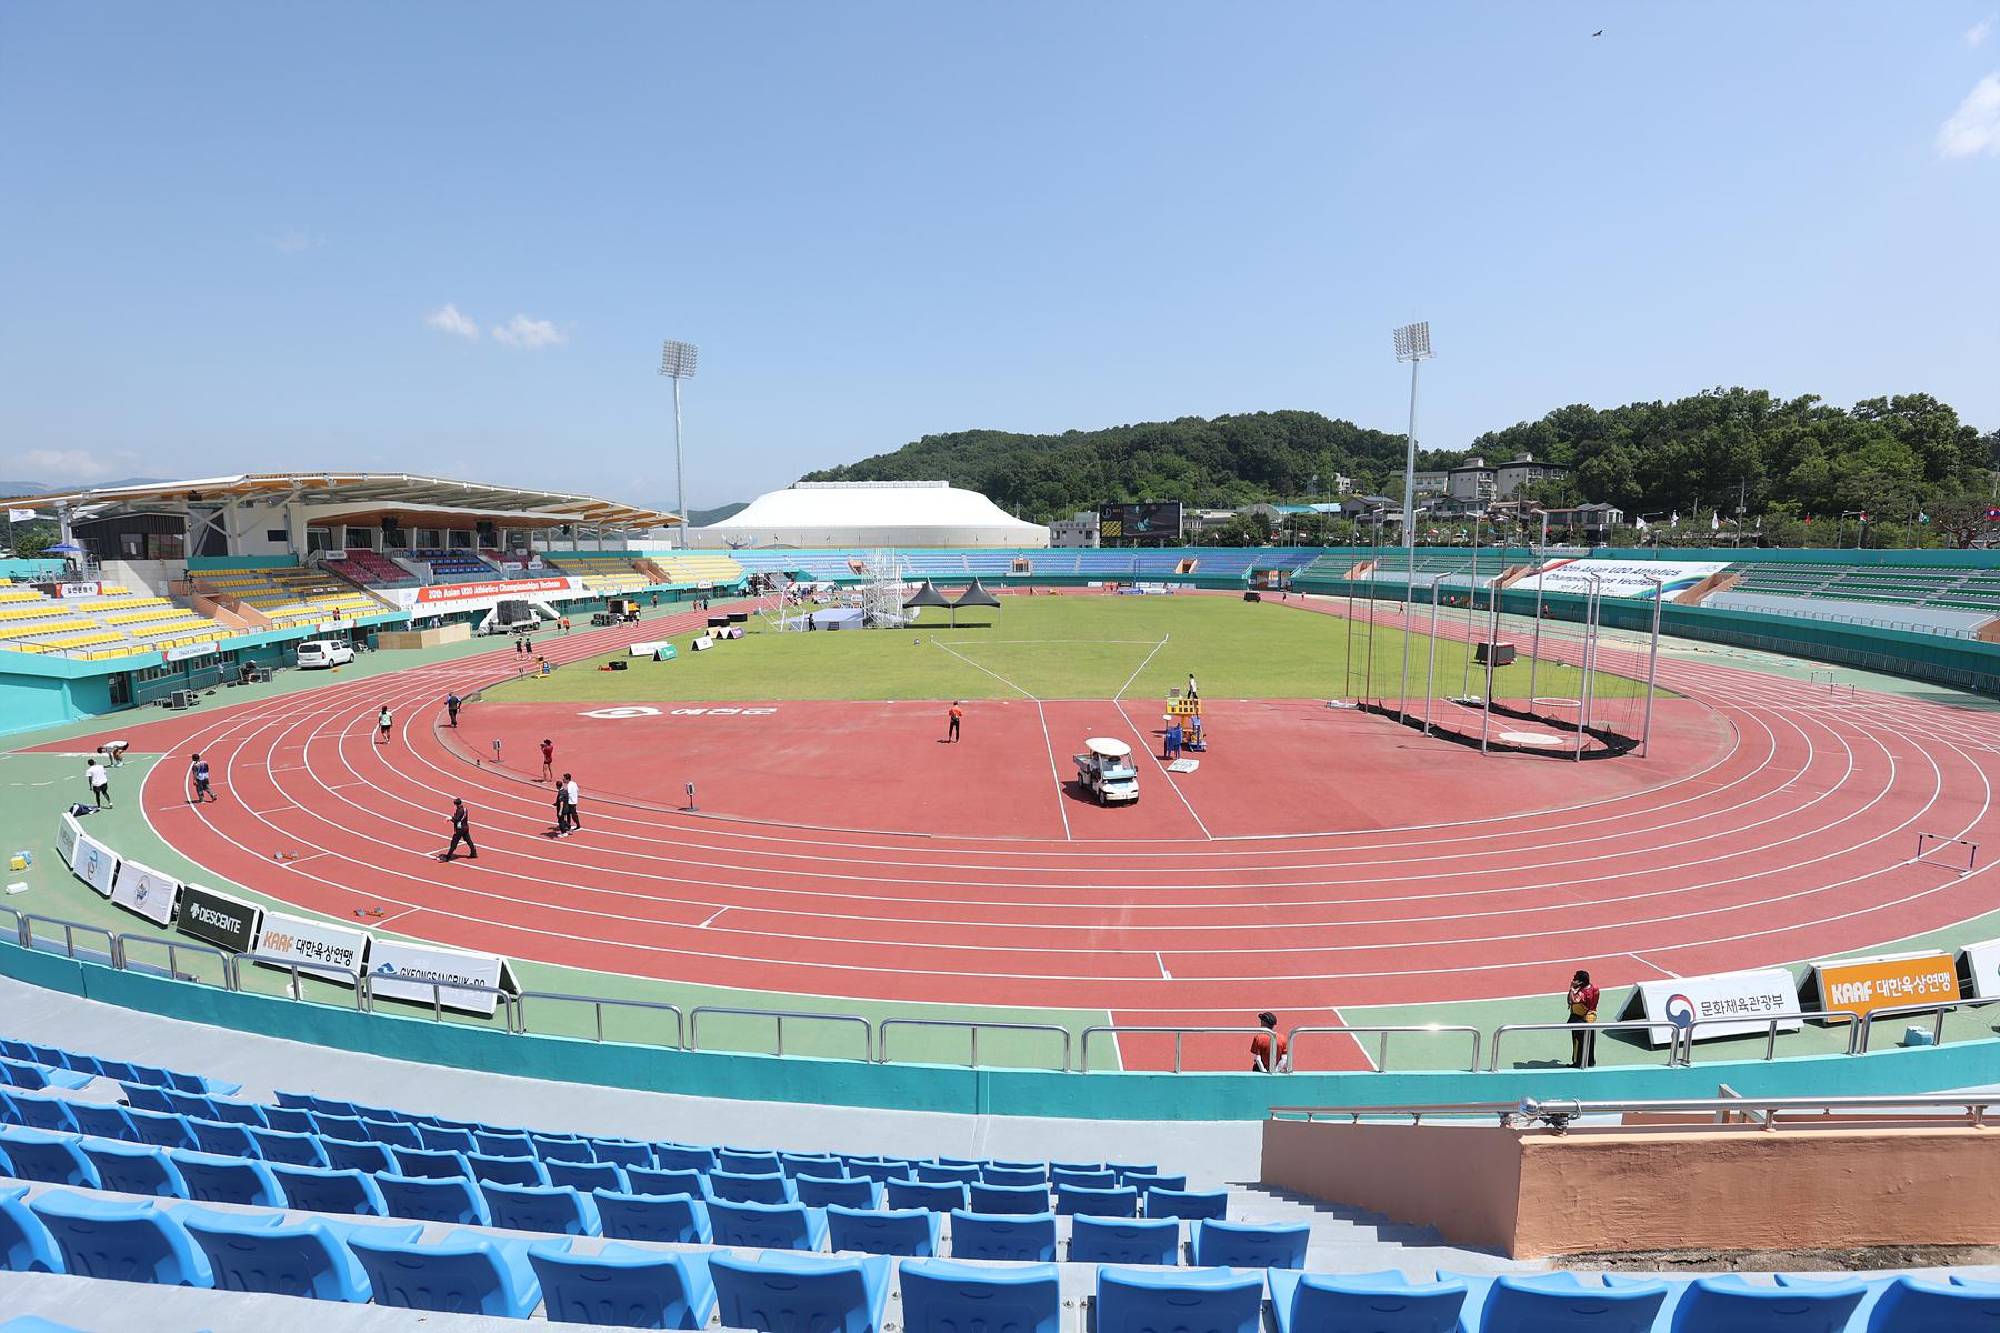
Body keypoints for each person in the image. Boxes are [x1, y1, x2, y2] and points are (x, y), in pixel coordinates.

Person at [1567, 969, 1601, 1069]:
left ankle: (1577, 1062)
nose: (1573, 980)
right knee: (1590, 1041)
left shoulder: (1582, 993)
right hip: (1590, 1018)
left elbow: (1571, 1000)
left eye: (1575, 979)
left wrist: (1571, 988)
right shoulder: (1595, 989)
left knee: (1578, 1042)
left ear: (1581, 981)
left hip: (1579, 1020)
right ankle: (1590, 1061)